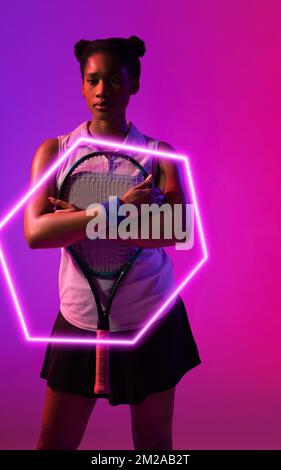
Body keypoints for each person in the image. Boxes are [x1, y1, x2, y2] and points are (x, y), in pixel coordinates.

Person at [24, 35, 201, 450]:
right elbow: (35, 234)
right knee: (54, 443)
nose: (103, 90)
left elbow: (179, 232)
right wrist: (121, 207)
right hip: (80, 320)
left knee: (154, 444)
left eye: (115, 80)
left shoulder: (161, 156)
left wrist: (79, 218)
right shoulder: (54, 152)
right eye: (93, 80)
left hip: (152, 318)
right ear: (82, 86)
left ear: (133, 83)